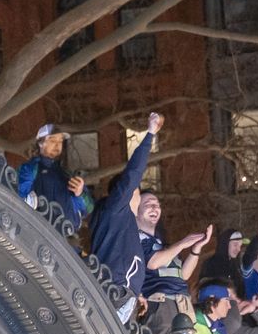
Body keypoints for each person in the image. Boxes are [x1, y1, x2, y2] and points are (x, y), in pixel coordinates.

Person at [88, 112, 164, 321]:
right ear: (127, 194)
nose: (139, 199)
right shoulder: (116, 209)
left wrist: (136, 293)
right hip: (115, 291)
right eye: (137, 194)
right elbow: (133, 172)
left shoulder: (122, 220)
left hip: (124, 295)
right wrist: (149, 135)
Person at [15, 123, 93, 226]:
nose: (57, 145)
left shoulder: (67, 173)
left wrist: (79, 193)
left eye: (60, 141)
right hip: (41, 234)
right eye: (52, 140)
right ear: (40, 143)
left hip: (67, 236)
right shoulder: (30, 169)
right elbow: (18, 200)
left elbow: (88, 209)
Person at [200, 209, 258, 295]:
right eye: (235, 245)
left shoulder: (237, 267)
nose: (238, 249)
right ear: (225, 243)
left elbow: (250, 255)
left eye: (240, 246)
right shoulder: (210, 264)